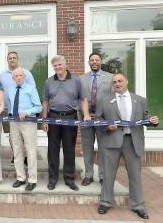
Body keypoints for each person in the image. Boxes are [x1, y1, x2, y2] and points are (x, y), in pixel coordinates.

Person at [96, 73, 159, 220]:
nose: (117, 83)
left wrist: (153, 121)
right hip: (111, 141)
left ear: (127, 81)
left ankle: (138, 205)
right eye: (115, 82)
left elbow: (145, 119)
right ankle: (105, 202)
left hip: (133, 141)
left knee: (135, 175)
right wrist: (107, 126)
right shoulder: (104, 100)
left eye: (120, 81)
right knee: (108, 174)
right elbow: (98, 119)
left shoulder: (140, 100)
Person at [41, 55, 91, 191]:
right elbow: (45, 101)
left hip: (71, 117)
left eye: (59, 65)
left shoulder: (76, 80)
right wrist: (44, 119)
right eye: (55, 66)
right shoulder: (49, 81)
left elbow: (83, 99)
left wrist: (86, 114)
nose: (58, 68)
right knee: (53, 151)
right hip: (53, 117)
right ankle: (53, 179)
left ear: (65, 64)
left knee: (69, 149)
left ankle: (69, 179)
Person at [79, 53, 113, 186]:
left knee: (103, 148)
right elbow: (79, 98)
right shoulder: (81, 79)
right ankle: (88, 175)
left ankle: (103, 176)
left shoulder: (110, 78)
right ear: (88, 62)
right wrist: (85, 113)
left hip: (102, 119)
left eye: (97, 60)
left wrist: (105, 116)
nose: (94, 62)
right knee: (87, 148)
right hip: (86, 118)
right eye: (92, 60)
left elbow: (111, 99)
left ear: (101, 62)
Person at [0, 51, 36, 165]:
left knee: (25, 136)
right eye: (10, 58)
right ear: (7, 60)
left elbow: (32, 89)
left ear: (17, 59)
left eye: (14, 57)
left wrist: (29, 110)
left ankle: (25, 157)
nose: (12, 59)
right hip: (7, 110)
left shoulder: (26, 73)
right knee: (12, 135)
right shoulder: (2, 75)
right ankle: (16, 155)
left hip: (24, 112)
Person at [7, 67, 42, 191]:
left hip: (28, 123)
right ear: (13, 78)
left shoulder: (31, 89)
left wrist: (27, 112)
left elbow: (39, 107)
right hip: (14, 123)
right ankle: (20, 178)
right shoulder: (10, 89)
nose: (19, 78)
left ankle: (32, 180)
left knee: (31, 151)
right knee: (17, 150)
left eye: (21, 75)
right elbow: (9, 106)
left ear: (25, 77)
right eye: (16, 76)